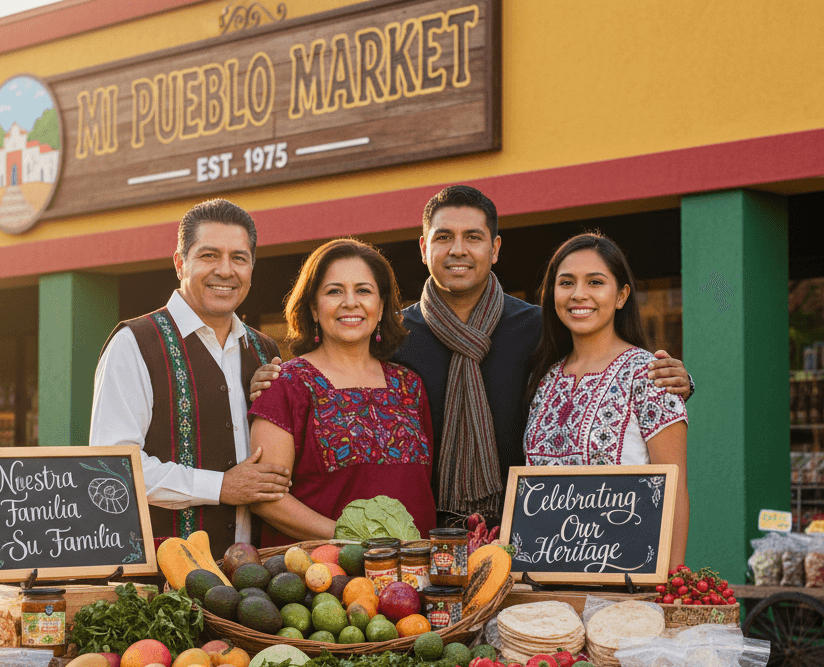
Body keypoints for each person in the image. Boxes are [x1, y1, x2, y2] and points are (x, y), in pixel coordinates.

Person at [252, 186, 693, 528]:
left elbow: (601, 367)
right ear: (424, 249)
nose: (458, 249)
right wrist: (274, 381)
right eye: (443, 237)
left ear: (495, 249)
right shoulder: (392, 335)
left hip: (527, 533)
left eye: (473, 237)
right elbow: (335, 371)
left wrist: (674, 380)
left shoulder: (540, 328)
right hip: (427, 538)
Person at [88, 199, 291, 561]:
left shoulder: (264, 350)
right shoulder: (134, 342)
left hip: (257, 584)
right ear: (181, 262)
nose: (226, 271)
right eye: (210, 255)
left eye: (239, 258)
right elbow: (114, 467)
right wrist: (221, 487)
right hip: (162, 587)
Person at [247, 239, 436, 545]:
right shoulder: (285, 385)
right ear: (313, 307)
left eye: (363, 290)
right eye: (334, 291)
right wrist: (356, 539)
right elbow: (266, 498)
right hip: (324, 580)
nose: (350, 302)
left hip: (414, 576)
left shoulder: (409, 385)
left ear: (382, 305)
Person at [524, 232, 690, 565]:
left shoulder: (651, 375)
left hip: (626, 583)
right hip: (547, 583)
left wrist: (669, 588)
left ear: (621, 295)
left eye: (595, 282)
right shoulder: (545, 379)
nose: (579, 294)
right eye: (566, 283)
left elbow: (673, 492)